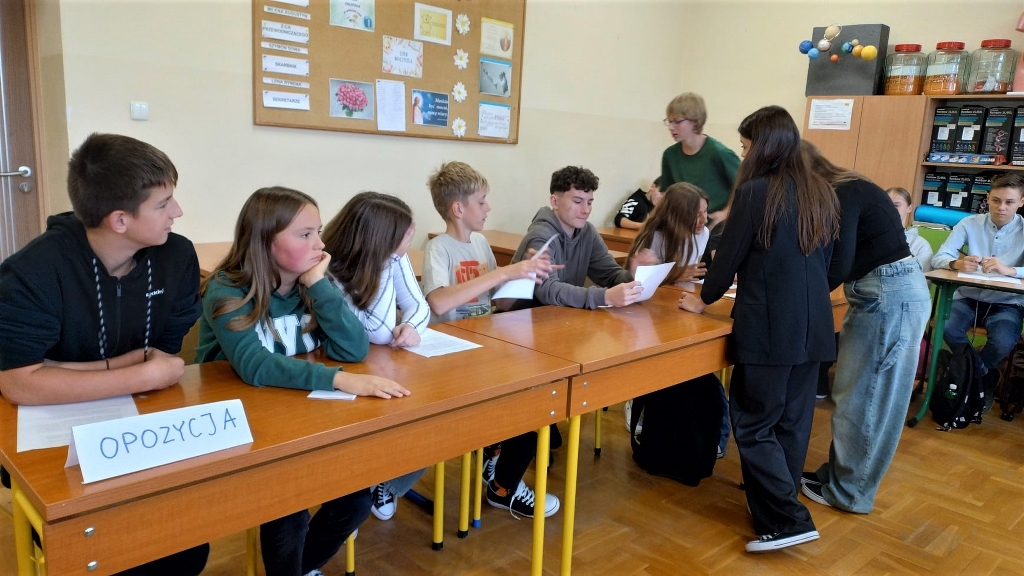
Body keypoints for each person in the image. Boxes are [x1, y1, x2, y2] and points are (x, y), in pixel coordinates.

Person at [0, 133, 209, 575]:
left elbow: (164, 354)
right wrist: (139, 374)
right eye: (163, 203)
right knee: (96, 550)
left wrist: (62, 370)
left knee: (187, 546)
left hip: (142, 420)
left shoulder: (177, 257)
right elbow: (20, 384)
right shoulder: (32, 272)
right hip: (50, 434)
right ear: (119, 220)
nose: (177, 211)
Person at [196, 186, 409, 576]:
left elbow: (354, 349)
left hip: (298, 419)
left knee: (355, 501)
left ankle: (302, 568)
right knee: (288, 508)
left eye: (319, 232)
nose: (321, 244)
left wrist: (319, 286)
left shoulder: (311, 286)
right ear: (265, 240)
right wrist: (339, 381)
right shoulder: (227, 290)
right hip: (242, 427)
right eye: (306, 234)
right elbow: (254, 365)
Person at [678, 106, 840, 553]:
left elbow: (726, 259)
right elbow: (832, 262)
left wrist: (703, 299)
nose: (744, 154)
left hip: (770, 329)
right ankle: (772, 509)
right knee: (791, 423)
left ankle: (788, 519)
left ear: (763, 147)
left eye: (746, 146)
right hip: (815, 327)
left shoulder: (755, 192)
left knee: (752, 422)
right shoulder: (822, 192)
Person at [799, 141, 930, 514]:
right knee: (854, 395)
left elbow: (837, 265)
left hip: (888, 297)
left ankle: (850, 493)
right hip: (884, 294)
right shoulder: (848, 187)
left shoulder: (845, 193)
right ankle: (838, 477)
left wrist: (798, 298)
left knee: (866, 400)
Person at [422, 160, 558, 518]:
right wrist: (505, 271)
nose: (488, 207)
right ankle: (501, 482)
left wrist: (523, 277)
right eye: (481, 201)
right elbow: (438, 302)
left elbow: (498, 303)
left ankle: (496, 463)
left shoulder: (481, 243)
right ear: (458, 208)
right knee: (524, 409)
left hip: (484, 349)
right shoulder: (439, 248)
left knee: (537, 398)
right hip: (451, 360)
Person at [321, 191, 430, 522]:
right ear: (378, 241)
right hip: (340, 371)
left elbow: (418, 304)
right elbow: (379, 331)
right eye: (403, 235)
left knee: (430, 419)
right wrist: (386, 261)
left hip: (379, 367)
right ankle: (345, 504)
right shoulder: (329, 266)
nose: (410, 239)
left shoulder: (392, 255)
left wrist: (411, 326)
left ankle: (385, 485)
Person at [931, 173, 1024, 412]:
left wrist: (1010, 270)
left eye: (1009, 202)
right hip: (967, 297)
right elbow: (939, 257)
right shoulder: (969, 223)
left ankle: (965, 378)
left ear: (1021, 202)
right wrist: (956, 264)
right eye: (996, 200)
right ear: (988, 198)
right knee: (947, 327)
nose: (1001, 208)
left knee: (1003, 341)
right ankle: (985, 378)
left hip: (1007, 302)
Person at [510, 165, 641, 310]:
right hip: (522, 317)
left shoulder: (588, 232)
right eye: (577, 202)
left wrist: (634, 276)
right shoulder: (540, 235)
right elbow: (547, 289)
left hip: (562, 315)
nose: (586, 210)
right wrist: (604, 297)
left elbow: (610, 274)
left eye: (589, 202)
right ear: (555, 202)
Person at [660, 92, 741, 228]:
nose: (671, 127)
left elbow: (744, 189)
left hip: (714, 227)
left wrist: (726, 213)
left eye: (677, 121)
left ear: (695, 121)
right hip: (684, 227)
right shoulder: (669, 155)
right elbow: (668, 194)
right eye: (669, 121)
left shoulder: (720, 153)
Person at [887, 186, 933, 273]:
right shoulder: (870, 239)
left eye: (896, 205)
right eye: (887, 205)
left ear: (909, 208)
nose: (891, 209)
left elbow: (924, 278)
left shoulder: (921, 245)